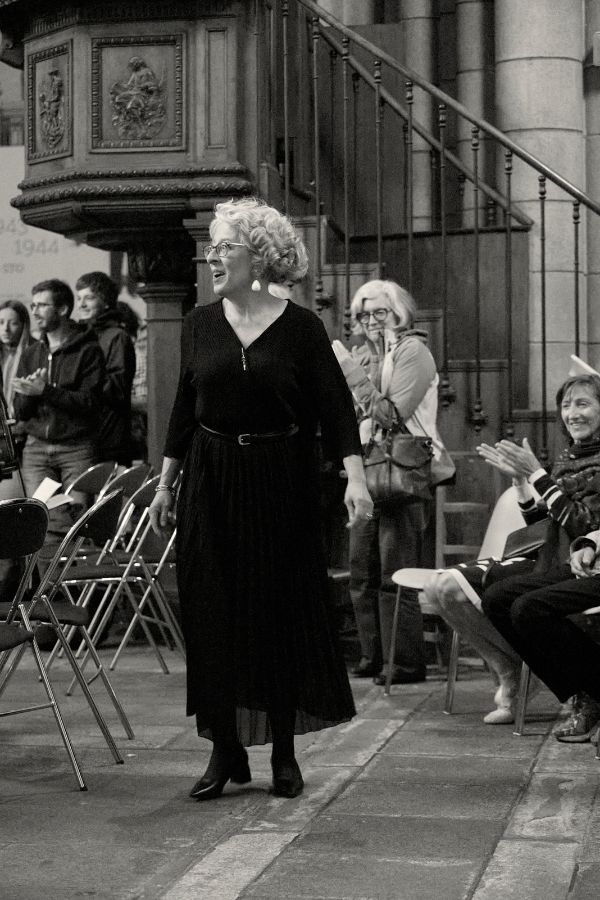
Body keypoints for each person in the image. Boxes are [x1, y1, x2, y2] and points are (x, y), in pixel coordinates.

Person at [148, 197, 372, 802]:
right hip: (211, 479)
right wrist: (166, 483)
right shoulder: (198, 323)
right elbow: (181, 412)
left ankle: (283, 751)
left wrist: (355, 476)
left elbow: (335, 408)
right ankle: (226, 750)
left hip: (281, 477)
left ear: (260, 255)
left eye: (224, 247)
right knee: (213, 613)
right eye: (211, 248)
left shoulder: (301, 328)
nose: (212, 257)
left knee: (278, 611)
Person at [461, 374, 600, 735]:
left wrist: (537, 474)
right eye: (566, 405)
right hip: (577, 562)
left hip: (595, 567)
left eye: (582, 403)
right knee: (496, 600)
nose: (572, 413)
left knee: (528, 608)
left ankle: (592, 690)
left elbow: (585, 525)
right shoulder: (570, 456)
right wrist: (522, 483)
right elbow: (545, 521)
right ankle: (583, 691)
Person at [332, 279, 451, 686]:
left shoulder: (413, 351)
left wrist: (349, 372)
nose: (368, 320)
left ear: (398, 313)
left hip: (402, 470)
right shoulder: (370, 356)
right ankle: (373, 655)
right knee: (361, 569)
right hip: (368, 469)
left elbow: (391, 415)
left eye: (378, 312)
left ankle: (403, 663)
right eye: (361, 314)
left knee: (394, 572)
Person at [12, 279, 105, 507]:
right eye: (33, 305)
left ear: (62, 309)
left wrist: (44, 390)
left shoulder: (88, 350)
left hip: (76, 449)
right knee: (40, 519)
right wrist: (29, 394)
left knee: (78, 520)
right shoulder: (31, 353)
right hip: (36, 449)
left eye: (42, 305)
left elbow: (89, 403)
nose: (35, 311)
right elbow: (21, 412)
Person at [76, 272, 136, 466]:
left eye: (89, 298)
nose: (81, 304)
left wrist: (84, 378)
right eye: (79, 298)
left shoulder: (117, 336)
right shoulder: (80, 336)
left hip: (109, 437)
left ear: (106, 302)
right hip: (83, 436)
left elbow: (118, 389)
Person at [0, 300, 32, 418]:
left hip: (22, 425)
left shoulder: (33, 353)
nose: (5, 329)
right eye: (1, 322)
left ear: (23, 325)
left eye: (13, 323)